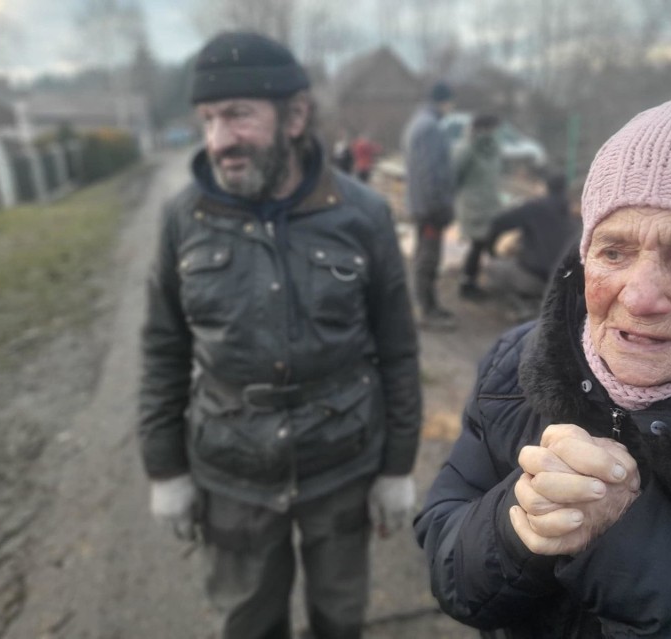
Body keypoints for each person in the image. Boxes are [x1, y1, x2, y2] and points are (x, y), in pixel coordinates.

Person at [415, 92, 671, 638]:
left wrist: (621, 538)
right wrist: (519, 523)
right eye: (613, 252)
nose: (638, 298)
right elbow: (450, 572)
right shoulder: (515, 364)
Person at [138, 31, 422, 639]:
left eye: (238, 115)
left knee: (341, 618)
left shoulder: (363, 215)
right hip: (231, 468)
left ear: (295, 115)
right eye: (209, 119)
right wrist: (165, 470)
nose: (219, 141)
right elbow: (163, 349)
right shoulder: (182, 220)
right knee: (247, 622)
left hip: (342, 461)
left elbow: (398, 350)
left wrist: (397, 467)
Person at [484, 172, 581, 321]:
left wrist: (490, 250)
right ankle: (542, 302)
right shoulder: (575, 212)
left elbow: (498, 223)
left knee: (491, 266)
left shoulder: (534, 207)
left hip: (533, 278)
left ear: (545, 187)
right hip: (563, 282)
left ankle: (524, 306)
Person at [402, 82, 457, 330]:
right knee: (428, 258)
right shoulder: (430, 128)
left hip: (421, 204)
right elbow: (431, 173)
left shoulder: (418, 123)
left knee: (425, 256)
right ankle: (426, 310)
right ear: (443, 101)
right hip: (430, 208)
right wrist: (438, 206)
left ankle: (426, 304)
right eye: (450, 102)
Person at [452, 113, 502, 300]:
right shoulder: (466, 148)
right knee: (477, 243)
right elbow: (455, 175)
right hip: (472, 205)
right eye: (492, 128)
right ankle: (467, 284)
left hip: (489, 204)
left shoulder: (493, 147)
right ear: (483, 127)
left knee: (485, 244)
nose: (495, 132)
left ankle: (476, 280)